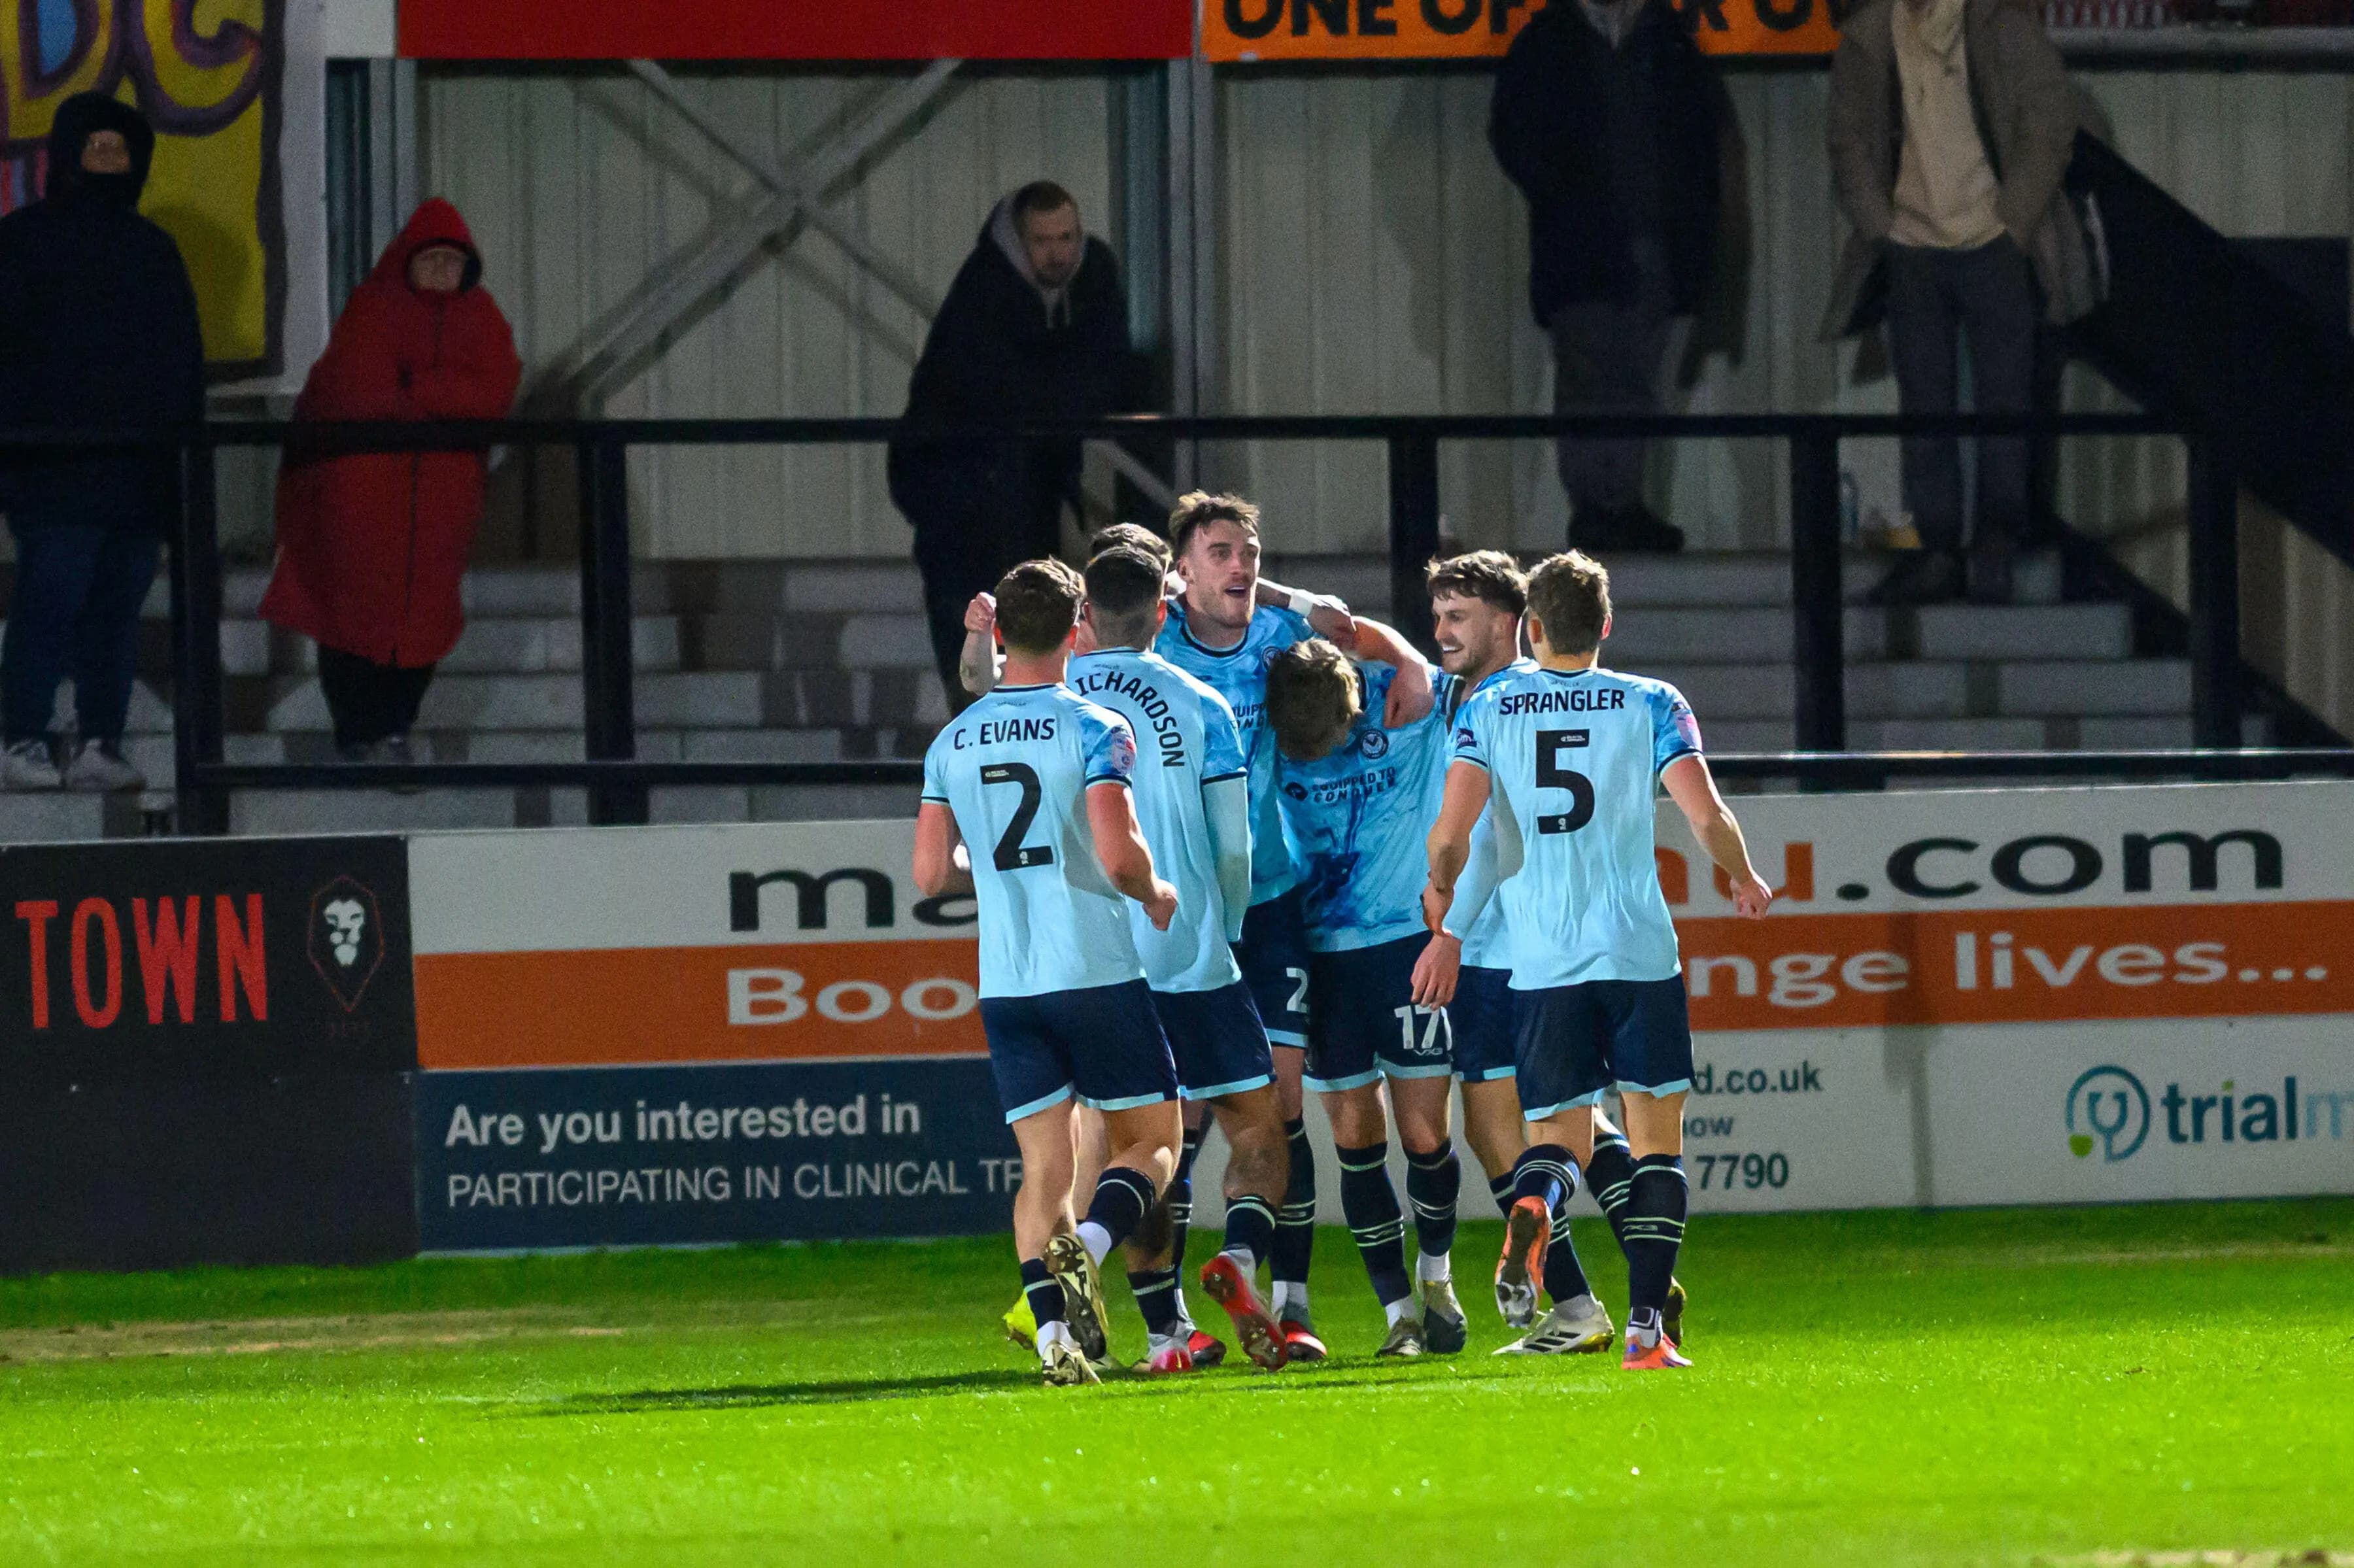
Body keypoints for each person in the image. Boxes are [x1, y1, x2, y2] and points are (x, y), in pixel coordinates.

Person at [1417, 552, 1771, 1370]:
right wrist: (1742, 875)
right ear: (1606, 625)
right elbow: (1707, 814)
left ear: (1533, 626)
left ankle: (1537, 1204)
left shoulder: (1490, 706)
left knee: (1557, 1138)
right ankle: (1646, 1333)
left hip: (1544, 963)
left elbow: (1453, 836)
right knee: (1655, 1145)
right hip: (1639, 952)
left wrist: (1442, 903)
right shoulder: (1653, 701)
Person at [1152, 492, 1430, 1362]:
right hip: (1181, 906)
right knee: (1173, 1119)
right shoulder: (1152, 647)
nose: (1242, 565)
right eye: (1222, 551)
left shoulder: (1279, 636)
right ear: (1183, 569)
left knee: (1281, 1103)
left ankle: (1286, 1299)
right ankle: (1167, 1317)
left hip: (1269, 900)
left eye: (1251, 551)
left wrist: (1369, 641)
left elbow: (1359, 636)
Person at [912, 558, 1183, 1388]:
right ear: (1077, 630)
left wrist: (995, 871)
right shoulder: (1096, 726)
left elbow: (930, 875)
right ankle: (1088, 1248)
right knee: (1154, 1142)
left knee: (1044, 1170)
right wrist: (1156, 891)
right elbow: (1119, 853)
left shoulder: (952, 741)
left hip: (1008, 981)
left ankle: (1054, 1340)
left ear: (999, 633)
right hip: (1093, 967)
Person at [1068, 544, 1292, 1376]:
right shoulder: (1201, 703)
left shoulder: (1058, 704)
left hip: (1099, 962)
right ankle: (1238, 1257)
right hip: (1192, 954)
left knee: (1134, 1143)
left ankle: (1166, 1335)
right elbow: (1234, 847)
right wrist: (1224, 926)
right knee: (1258, 1127)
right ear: (1162, 614)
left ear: (1085, 618)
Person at [1823, 0, 2084, 606]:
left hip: (1991, 243)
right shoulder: (1872, 36)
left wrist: (2012, 221)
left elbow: (2050, 119)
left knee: (2004, 401)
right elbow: (1847, 140)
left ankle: (1995, 543)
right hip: (1914, 246)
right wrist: (1882, 226)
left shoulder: (2000, 24)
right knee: (1925, 408)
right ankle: (1940, 550)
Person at [1265, 636, 1469, 1357]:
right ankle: (1399, 1316)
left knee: (1425, 1135)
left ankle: (1438, 1276)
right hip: (1322, 954)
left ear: (1352, 713)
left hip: (1407, 944)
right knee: (1355, 1135)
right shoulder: (1270, 715)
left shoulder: (1407, 698)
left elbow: (1467, 668)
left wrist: (1407, 657)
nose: (1313, 756)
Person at [259, 199, 520, 763]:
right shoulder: (374, 307)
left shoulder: (483, 318)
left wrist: (415, 386)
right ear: (408, 261)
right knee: (350, 617)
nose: (442, 270)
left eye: (452, 261)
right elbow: (358, 392)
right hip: (362, 501)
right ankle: (358, 733)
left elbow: (492, 395)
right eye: (431, 260)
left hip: (439, 510)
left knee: (423, 622)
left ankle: (394, 729)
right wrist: (443, 399)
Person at [0, 93, 204, 792]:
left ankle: (100, 741)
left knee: (116, 614)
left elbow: (182, 362)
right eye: (96, 147)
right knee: (49, 604)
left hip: (136, 473)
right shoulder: (23, 241)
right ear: (68, 156)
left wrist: (178, 467)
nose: (108, 158)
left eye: (119, 149)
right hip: (53, 470)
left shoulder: (154, 250)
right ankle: (23, 736)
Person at [889, 182, 1136, 714]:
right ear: (1020, 242)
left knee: (1028, 629)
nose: (1058, 253)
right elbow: (1001, 388)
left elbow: (1105, 371)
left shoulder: (1092, 274)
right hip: (961, 493)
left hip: (1026, 485)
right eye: (1043, 241)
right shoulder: (983, 292)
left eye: (1067, 238)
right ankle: (977, 728)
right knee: (974, 639)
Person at [1490, 0, 1723, 555]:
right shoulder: (1562, 40)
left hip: (1646, 241)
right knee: (1593, 379)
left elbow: (1697, 144)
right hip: (1586, 245)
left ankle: (1617, 503)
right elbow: (1513, 134)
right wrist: (1566, 197)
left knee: (1633, 379)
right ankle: (1602, 507)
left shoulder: (1660, 38)